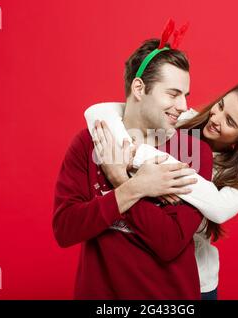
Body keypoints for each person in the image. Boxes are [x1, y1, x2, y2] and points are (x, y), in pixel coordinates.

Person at [84, 56, 238, 300]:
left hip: (195, 281)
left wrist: (135, 157)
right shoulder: (182, 119)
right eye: (221, 106)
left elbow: (219, 208)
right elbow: (98, 111)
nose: (215, 119)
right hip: (140, 267)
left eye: (230, 121)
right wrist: (130, 153)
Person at [53, 21, 214, 299]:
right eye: (173, 94)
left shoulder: (195, 153)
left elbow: (170, 243)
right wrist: (134, 188)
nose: (183, 106)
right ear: (139, 88)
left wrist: (119, 178)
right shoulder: (90, 143)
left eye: (185, 95)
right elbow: (65, 229)